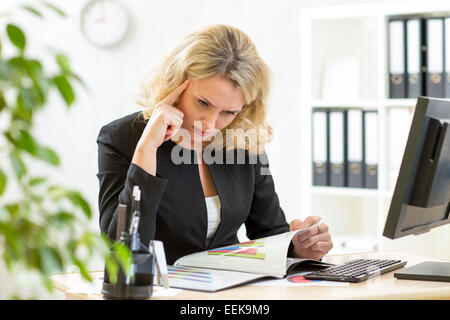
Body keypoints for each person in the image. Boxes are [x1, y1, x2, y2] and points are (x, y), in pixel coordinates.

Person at [97, 24, 333, 265]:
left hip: (232, 289)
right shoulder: (121, 138)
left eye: (228, 112)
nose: (209, 123)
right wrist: (146, 149)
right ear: (177, 84)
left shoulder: (242, 139)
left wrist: (298, 248)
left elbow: (269, 233)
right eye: (203, 103)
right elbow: (120, 253)